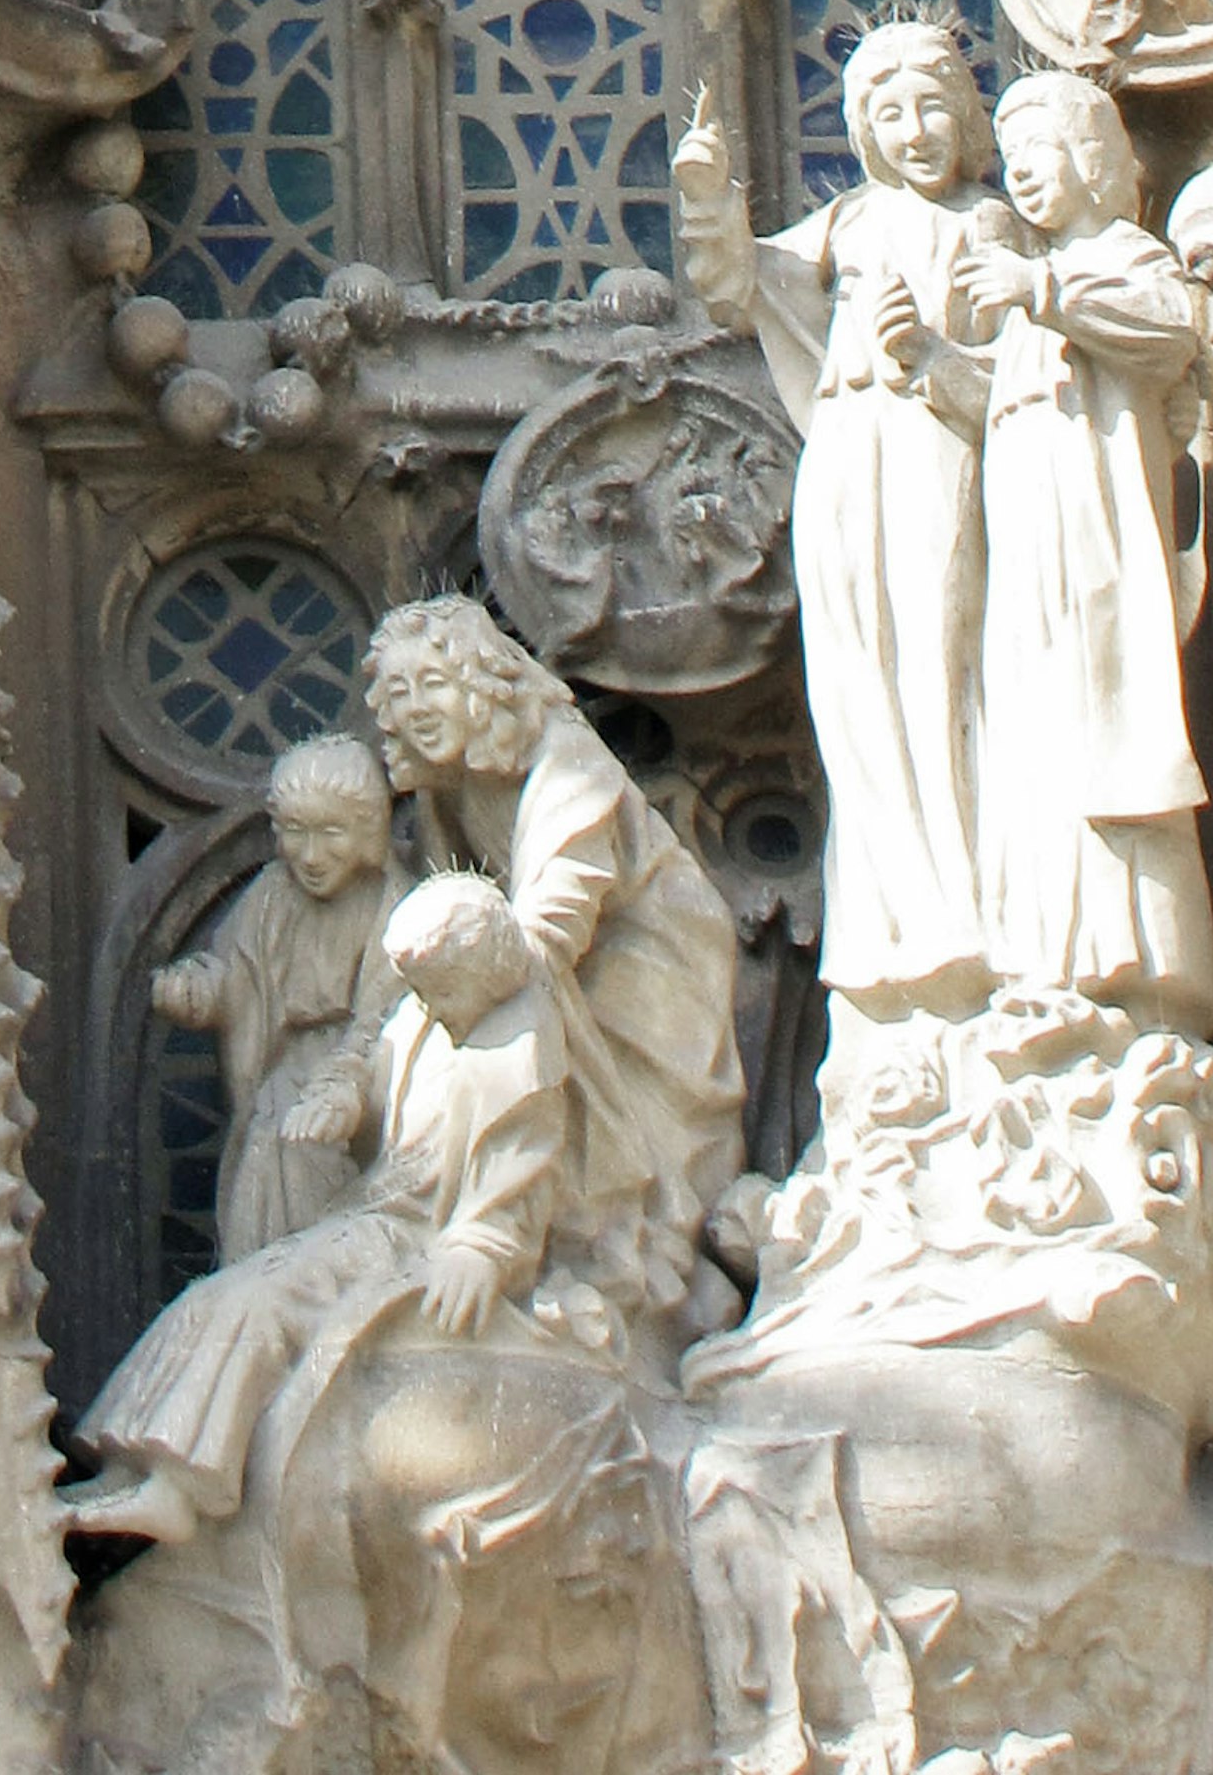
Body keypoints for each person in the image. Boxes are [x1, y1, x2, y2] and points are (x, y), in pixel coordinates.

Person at [673, 11, 1013, 1011]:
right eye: (891, 112)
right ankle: (893, 912)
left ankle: (971, 900)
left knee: (947, 659)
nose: (915, 131)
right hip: (849, 456)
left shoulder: (987, 225)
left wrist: (939, 360)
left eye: (933, 108)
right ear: (863, 129)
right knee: (859, 678)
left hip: (940, 450)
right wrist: (707, 197)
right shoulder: (850, 225)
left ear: (966, 117)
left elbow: (1028, 377)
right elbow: (740, 283)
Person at [66, 876, 561, 1541]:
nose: (426, 1007)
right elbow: (367, 1068)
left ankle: (179, 1487)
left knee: (260, 1305)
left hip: (408, 1242)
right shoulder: (427, 1013)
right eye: (418, 991)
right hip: (370, 1218)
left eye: (439, 991)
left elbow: (515, 1179)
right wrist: (343, 1101)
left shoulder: (516, 1052)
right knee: (221, 1294)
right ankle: (137, 1470)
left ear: (486, 974)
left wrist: (481, 1248)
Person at [358, 595, 740, 1344]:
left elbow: (551, 923)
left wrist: (470, 981)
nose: (417, 709)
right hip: (537, 963)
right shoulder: (447, 781)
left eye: (434, 683)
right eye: (398, 696)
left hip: (647, 961)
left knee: (636, 1144)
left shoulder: (564, 756)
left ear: (481, 681)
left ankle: (626, 1267)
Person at [956, 75, 1213, 1024]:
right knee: (1035, 737)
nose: (1023, 174)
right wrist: (926, 359)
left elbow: (1166, 334)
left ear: (1093, 159)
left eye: (1041, 152)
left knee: (1105, 730)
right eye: (1011, 157)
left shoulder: (1122, 259)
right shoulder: (1037, 294)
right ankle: (1045, 954)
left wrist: (1043, 287)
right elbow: (991, 407)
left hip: (1098, 546)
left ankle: (1135, 958)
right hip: (1028, 558)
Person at [153, 733, 400, 1258]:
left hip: (367, 1071)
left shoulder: (392, 900)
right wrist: (199, 992)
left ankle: (317, 1290)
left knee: (307, 1152)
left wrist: (349, 1083)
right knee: (267, 1160)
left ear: (369, 827)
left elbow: (392, 1007)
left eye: (331, 832)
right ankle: (258, 1281)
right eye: (294, 832)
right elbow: (239, 976)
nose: (310, 855)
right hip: (282, 1070)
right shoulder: (272, 894)